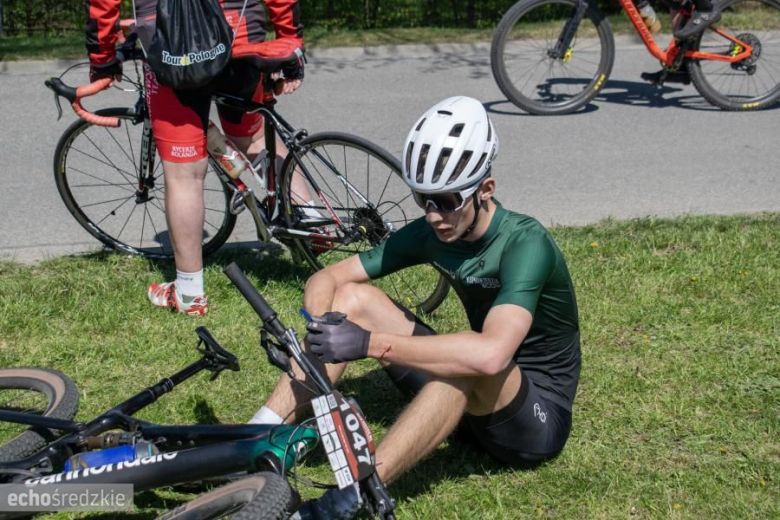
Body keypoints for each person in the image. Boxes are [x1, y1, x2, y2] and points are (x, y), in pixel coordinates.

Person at [251, 97, 582, 519]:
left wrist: (368, 344)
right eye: (422, 198)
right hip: (467, 399)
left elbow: (493, 354)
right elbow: (327, 278)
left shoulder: (524, 243)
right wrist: (321, 325)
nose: (432, 215)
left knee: (468, 360)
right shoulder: (434, 228)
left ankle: (351, 497)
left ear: (486, 190)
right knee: (353, 300)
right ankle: (257, 440)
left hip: (534, 418)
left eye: (445, 200)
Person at [86, 0, 305, 315]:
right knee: (255, 137)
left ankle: (189, 293)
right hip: (240, 35)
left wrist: (103, 58)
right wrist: (291, 42)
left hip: (171, 46)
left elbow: (102, 4)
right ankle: (314, 223)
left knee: (184, 174)